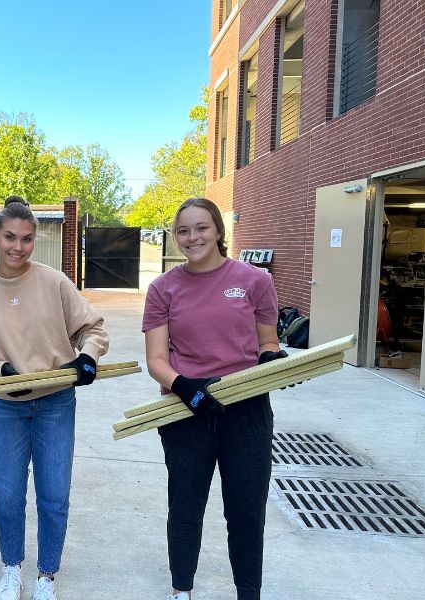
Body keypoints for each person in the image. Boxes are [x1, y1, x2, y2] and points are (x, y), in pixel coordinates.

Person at [0, 196, 110, 600]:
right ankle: (11, 568)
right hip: (6, 405)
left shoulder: (54, 282)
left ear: (35, 240)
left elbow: (92, 328)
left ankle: (46, 576)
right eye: (9, 237)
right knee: (7, 494)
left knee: (54, 494)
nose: (17, 247)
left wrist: (87, 358)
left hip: (56, 401)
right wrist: (0, 371)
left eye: (26, 239)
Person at [142, 197, 285, 600]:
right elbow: (156, 359)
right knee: (185, 508)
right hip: (186, 408)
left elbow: (267, 341)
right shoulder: (162, 288)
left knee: (245, 509)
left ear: (218, 230)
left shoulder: (256, 281)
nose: (193, 237)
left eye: (201, 227)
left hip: (246, 409)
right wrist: (185, 388)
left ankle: (248, 592)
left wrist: (275, 362)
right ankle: (180, 590)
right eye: (184, 230)